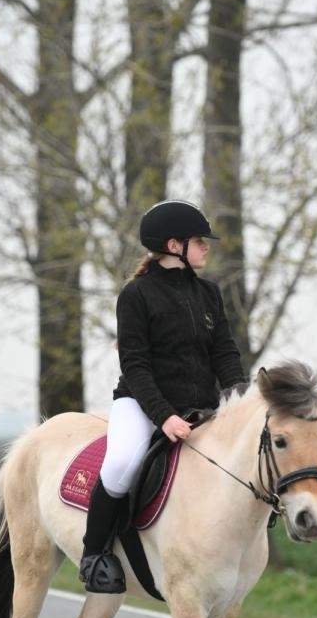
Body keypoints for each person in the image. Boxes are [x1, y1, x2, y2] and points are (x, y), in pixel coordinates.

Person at [79, 199, 250, 593]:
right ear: (174, 245)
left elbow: (224, 353)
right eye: (200, 241)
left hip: (201, 406)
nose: (207, 247)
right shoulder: (136, 295)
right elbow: (135, 366)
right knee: (122, 462)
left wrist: (241, 400)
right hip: (141, 404)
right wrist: (164, 416)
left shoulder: (209, 294)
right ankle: (94, 555)